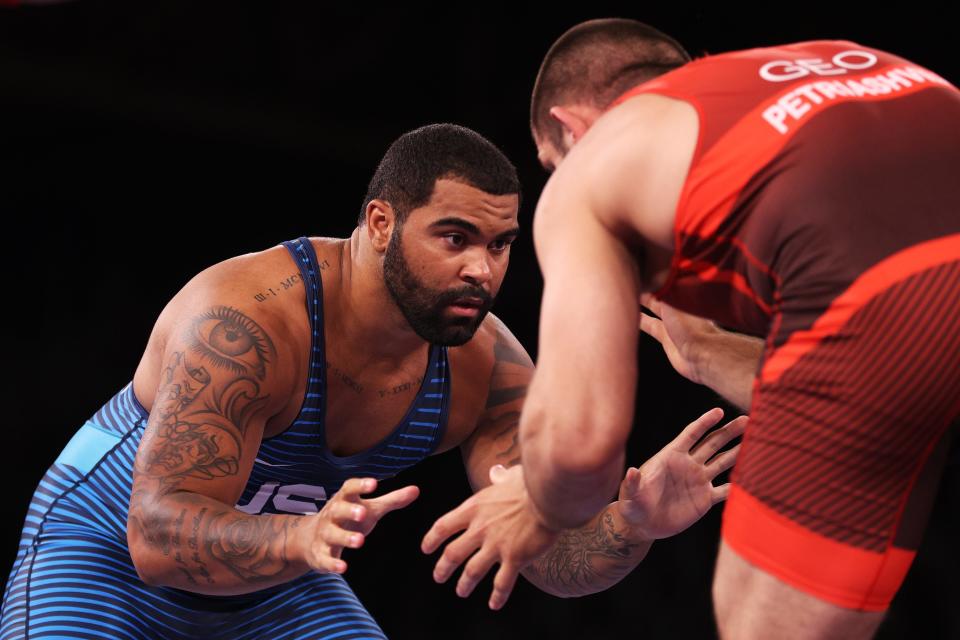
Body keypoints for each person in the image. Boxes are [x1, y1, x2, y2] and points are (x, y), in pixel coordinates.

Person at [1, 123, 743, 639]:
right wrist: (300, 537)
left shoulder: (485, 366)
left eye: (500, 245)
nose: (481, 270)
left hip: (278, 579)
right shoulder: (250, 321)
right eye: (454, 238)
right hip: (100, 556)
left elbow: (546, 555)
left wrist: (630, 528)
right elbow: (155, 537)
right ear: (382, 224)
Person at [423, 18, 960, 639]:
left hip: (879, 306)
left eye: (551, 163)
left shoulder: (594, 161)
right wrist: (707, 355)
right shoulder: (836, 60)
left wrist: (536, 502)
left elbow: (583, 448)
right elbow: (898, 371)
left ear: (571, 128)